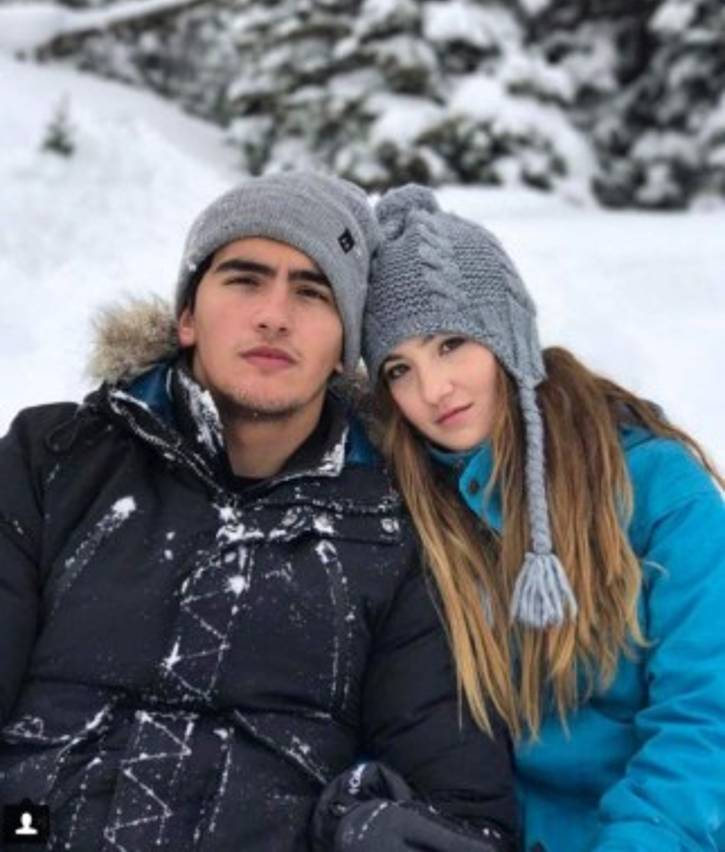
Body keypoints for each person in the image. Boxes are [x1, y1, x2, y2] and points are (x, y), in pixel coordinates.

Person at [0, 173, 517, 851]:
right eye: (245, 280)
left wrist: (369, 827)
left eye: (312, 292)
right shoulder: (57, 457)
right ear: (188, 317)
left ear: (345, 348)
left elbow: (462, 807)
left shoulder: (398, 526)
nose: (274, 315)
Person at [361, 184, 725, 852]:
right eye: (398, 369)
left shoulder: (653, 485)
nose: (433, 390)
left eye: (450, 344)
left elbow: (706, 712)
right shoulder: (406, 503)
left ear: (506, 335)